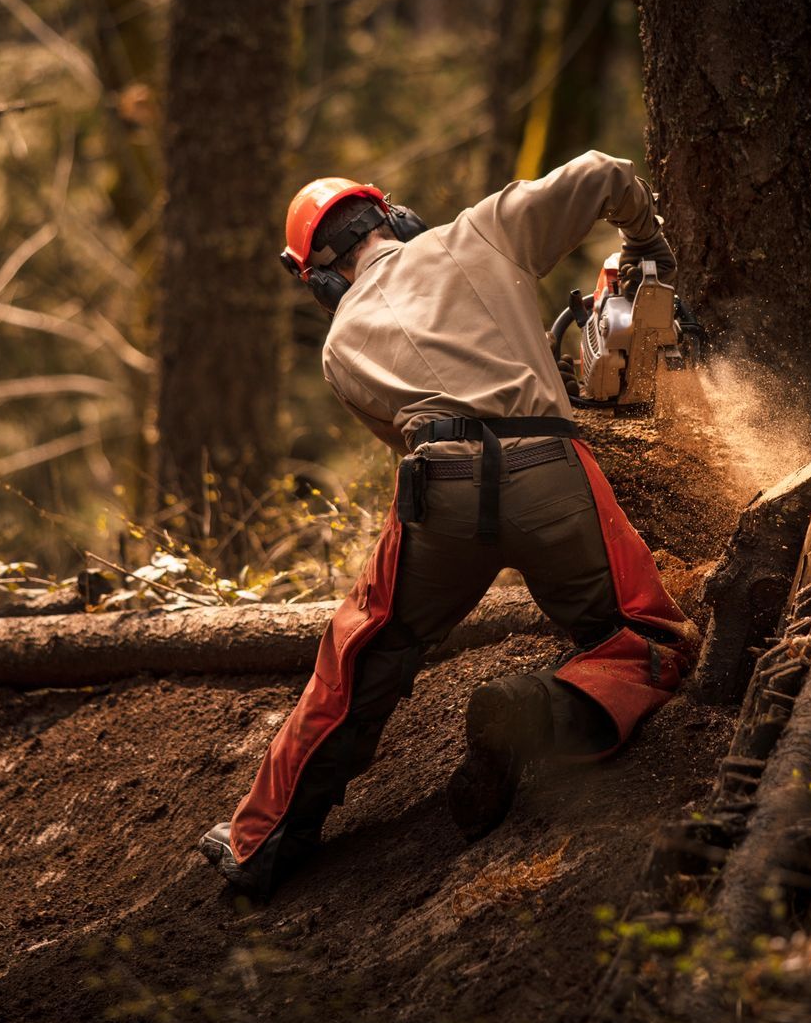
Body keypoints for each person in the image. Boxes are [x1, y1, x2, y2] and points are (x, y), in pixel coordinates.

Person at [199, 151, 698, 898]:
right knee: (648, 638)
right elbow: (601, 171)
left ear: (319, 280)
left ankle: (260, 841)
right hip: (550, 470)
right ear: (392, 215)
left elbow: (406, 435)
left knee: (361, 657)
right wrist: (647, 246)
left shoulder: (339, 350)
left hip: (440, 490)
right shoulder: (481, 233)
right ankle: (544, 708)